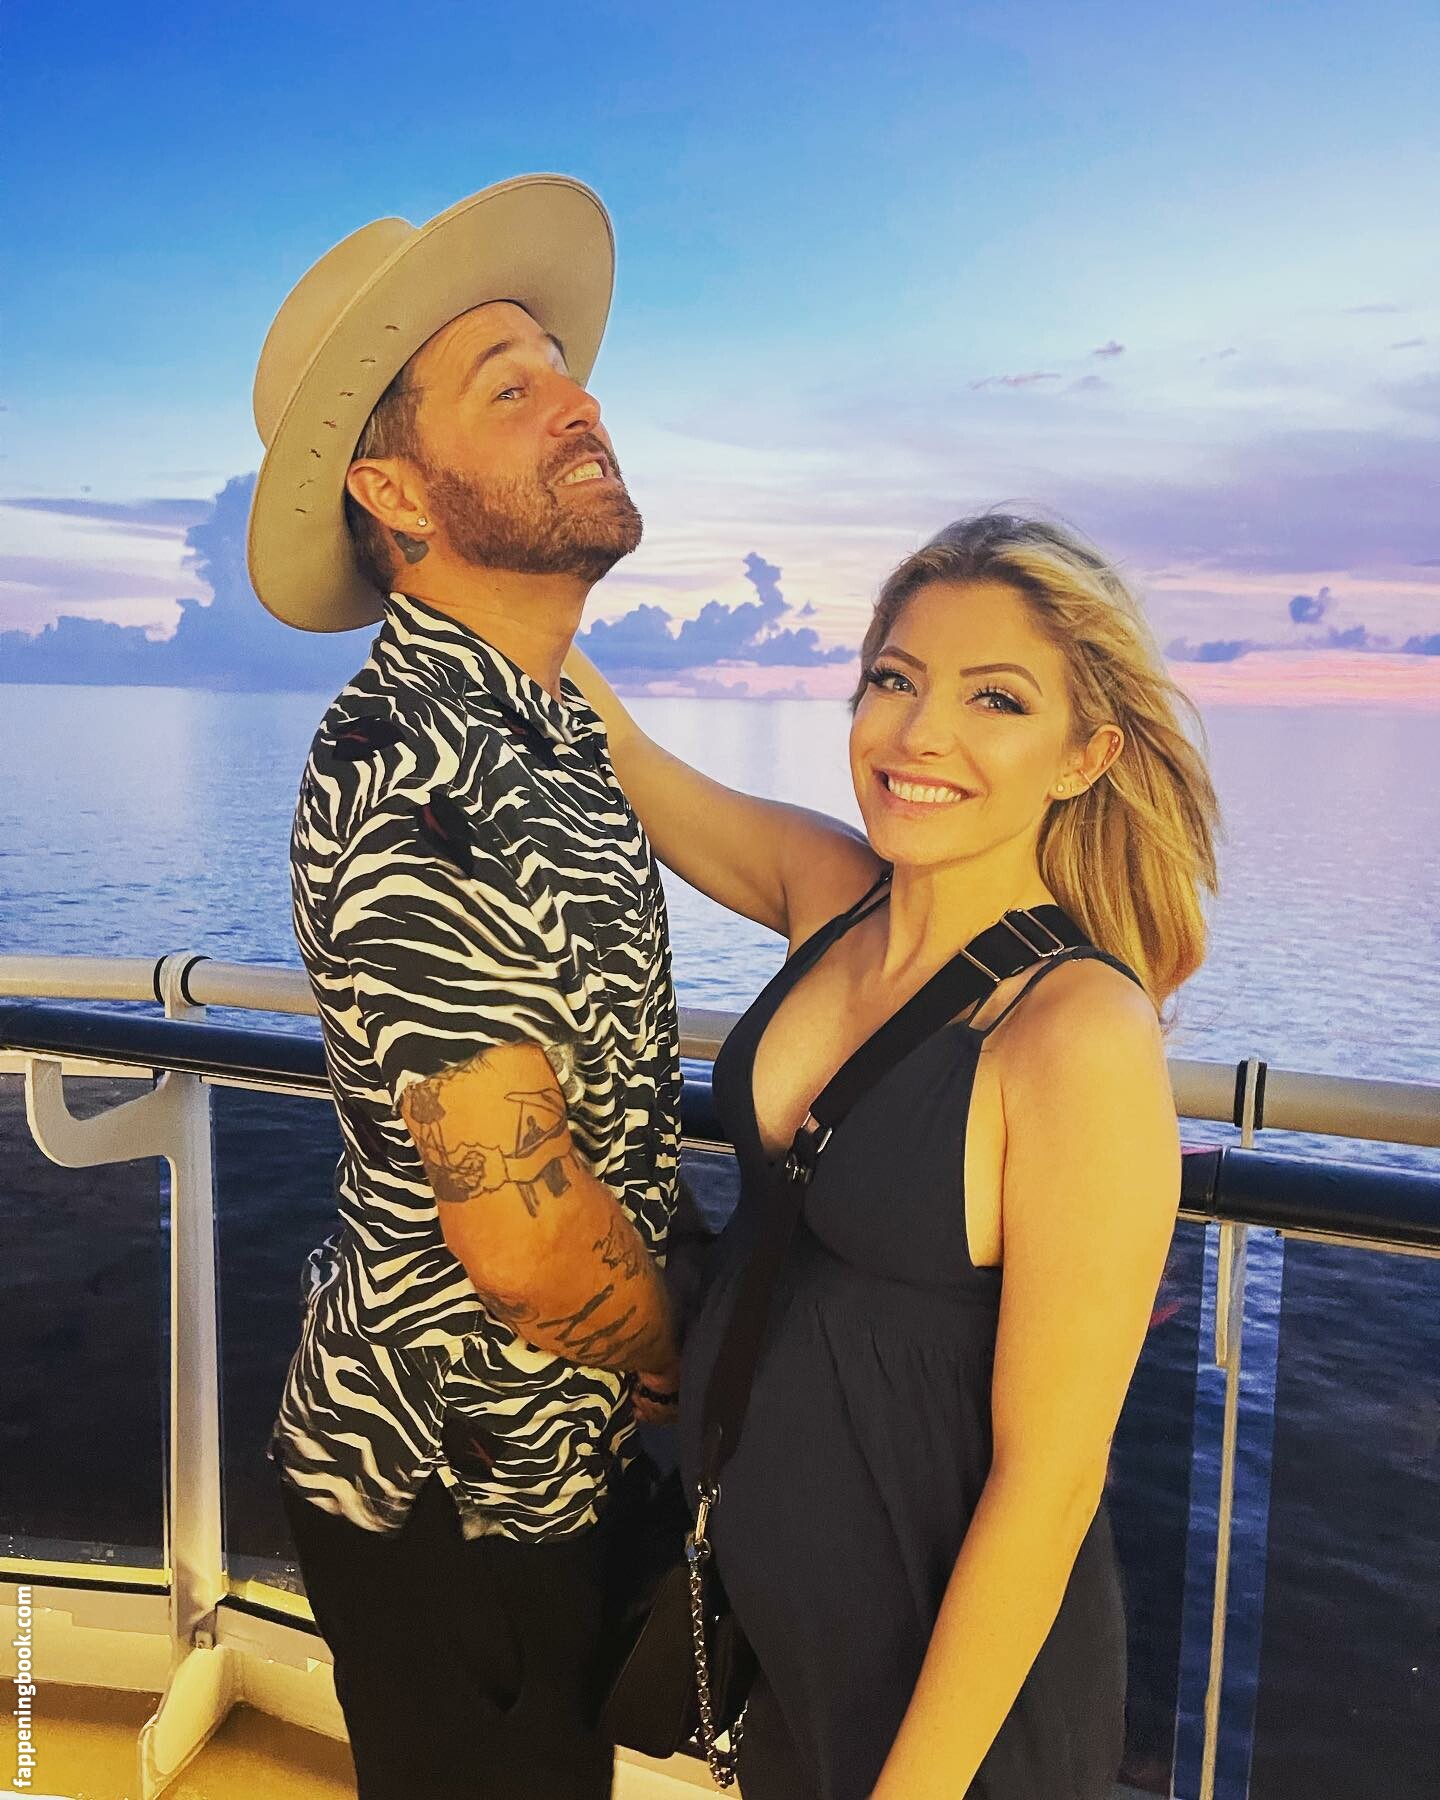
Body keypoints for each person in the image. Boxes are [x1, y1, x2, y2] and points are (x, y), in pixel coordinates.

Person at [562, 511, 1221, 1800]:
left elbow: (1049, 1481)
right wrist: (477, 585)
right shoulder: (833, 893)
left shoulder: (1074, 1032)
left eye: (996, 699)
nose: (920, 734)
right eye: (895, 680)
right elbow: (627, 756)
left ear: (1085, 755)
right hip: (782, 1638)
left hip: (950, 1699)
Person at [245, 176, 685, 1800]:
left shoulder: (546, 729)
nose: (581, 401)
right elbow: (520, 1239)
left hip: (552, 1468)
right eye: (511, 388)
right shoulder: (409, 763)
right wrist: (696, 1348)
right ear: (393, 491)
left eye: (567, 370)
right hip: (450, 1490)